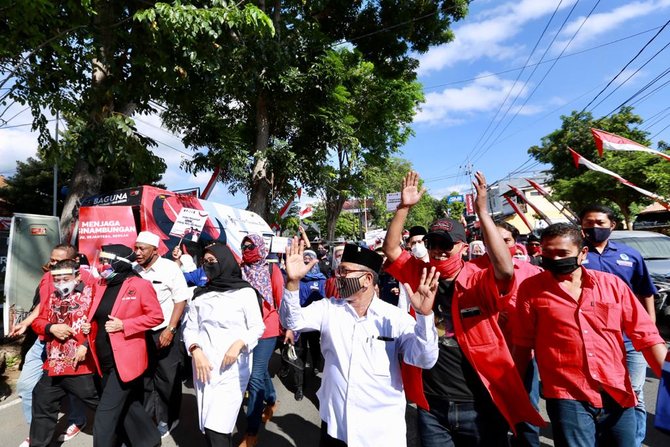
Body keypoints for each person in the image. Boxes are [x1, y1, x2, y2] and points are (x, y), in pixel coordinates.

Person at [382, 171, 544, 447]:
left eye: (446, 245)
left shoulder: (479, 277)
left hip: (480, 401)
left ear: (463, 247)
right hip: (432, 403)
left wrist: (482, 212)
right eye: (433, 244)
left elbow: (505, 269)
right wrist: (403, 208)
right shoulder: (420, 273)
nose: (438, 251)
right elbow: (391, 248)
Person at [512, 223, 667, 447]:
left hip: (617, 391)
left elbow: (647, 336)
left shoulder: (613, 285)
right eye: (547, 253)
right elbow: (523, 345)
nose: (554, 259)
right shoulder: (531, 289)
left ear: (582, 253)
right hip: (567, 395)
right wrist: (515, 391)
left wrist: (669, 380)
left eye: (562, 253)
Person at [280, 239, 440, 446]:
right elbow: (291, 321)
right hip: (335, 426)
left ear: (366, 280)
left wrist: (424, 316)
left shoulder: (394, 317)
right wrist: (292, 283)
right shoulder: (328, 308)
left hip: (380, 433)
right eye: (338, 271)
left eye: (345, 271)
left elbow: (424, 359)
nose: (338, 276)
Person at [579, 204, 658, 447]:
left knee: (633, 393)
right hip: (594, 339)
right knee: (601, 391)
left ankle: (633, 440)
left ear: (612, 225)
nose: (594, 228)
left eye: (600, 223)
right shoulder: (578, 256)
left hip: (630, 338)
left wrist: (650, 325)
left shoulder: (630, 255)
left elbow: (646, 291)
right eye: (589, 223)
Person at [182, 244, 265, 447]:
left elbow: (257, 327)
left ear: (225, 262)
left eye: (212, 261)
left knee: (218, 426)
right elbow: (190, 329)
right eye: (205, 262)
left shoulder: (245, 293)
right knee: (209, 423)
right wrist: (195, 349)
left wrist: (239, 343)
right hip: (204, 368)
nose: (208, 266)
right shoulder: (200, 295)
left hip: (233, 369)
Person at [11, 244, 89, 447]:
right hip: (44, 341)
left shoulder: (90, 281)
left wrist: (85, 343)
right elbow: (42, 306)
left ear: (74, 263)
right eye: (52, 260)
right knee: (27, 386)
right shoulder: (48, 277)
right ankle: (36, 431)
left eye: (57, 261)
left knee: (77, 391)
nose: (52, 264)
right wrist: (28, 323)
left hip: (72, 346)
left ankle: (77, 420)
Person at [87, 244, 164, 447]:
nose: (102, 265)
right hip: (102, 358)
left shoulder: (139, 285)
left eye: (106, 261)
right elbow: (96, 315)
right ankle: (149, 440)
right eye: (101, 260)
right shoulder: (101, 285)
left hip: (124, 361)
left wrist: (125, 325)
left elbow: (156, 316)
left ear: (120, 262)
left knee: (104, 417)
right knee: (129, 406)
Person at [29, 260, 100, 447]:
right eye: (57, 279)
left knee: (100, 404)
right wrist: (51, 327)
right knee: (42, 402)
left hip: (81, 365)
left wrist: (85, 343)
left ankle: (133, 434)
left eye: (65, 279)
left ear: (77, 277)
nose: (61, 283)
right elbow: (38, 321)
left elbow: (99, 325)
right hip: (53, 365)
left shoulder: (92, 294)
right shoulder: (52, 296)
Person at [134, 231, 190, 438]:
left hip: (165, 332)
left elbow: (180, 300)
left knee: (167, 379)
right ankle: (149, 417)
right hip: (140, 335)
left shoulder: (170, 269)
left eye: (142, 249)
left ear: (155, 251)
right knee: (146, 379)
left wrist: (171, 329)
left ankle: (168, 418)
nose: (137, 253)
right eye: (136, 248)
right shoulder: (133, 270)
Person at [239, 234, 285, 447]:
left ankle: (251, 432)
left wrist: (288, 329)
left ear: (260, 247)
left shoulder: (271, 270)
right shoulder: (239, 269)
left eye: (250, 246)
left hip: (268, 329)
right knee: (261, 370)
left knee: (254, 375)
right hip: (245, 330)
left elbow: (280, 299)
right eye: (243, 246)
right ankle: (272, 398)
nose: (246, 249)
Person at [295, 249, 327, 399]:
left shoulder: (321, 279)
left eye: (310, 256)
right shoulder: (297, 278)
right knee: (299, 353)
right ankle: (299, 387)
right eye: (305, 256)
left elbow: (325, 300)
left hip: (314, 323)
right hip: (298, 323)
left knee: (314, 346)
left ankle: (315, 365)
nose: (307, 258)